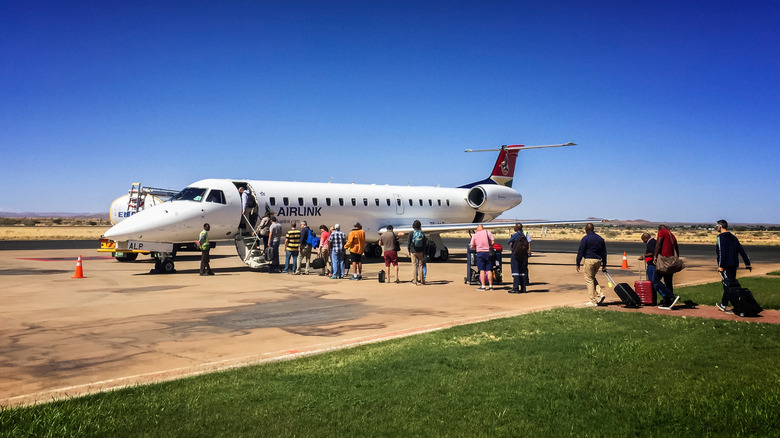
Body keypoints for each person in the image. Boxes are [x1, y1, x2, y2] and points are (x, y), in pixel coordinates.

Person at [715, 219, 752, 312]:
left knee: (729, 286)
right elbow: (742, 251)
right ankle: (724, 304)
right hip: (734, 264)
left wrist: (720, 266)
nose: (716, 228)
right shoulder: (733, 237)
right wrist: (747, 263)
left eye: (717, 226)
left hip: (726, 265)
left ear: (720, 226)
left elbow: (721, 252)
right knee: (729, 285)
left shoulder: (721, 237)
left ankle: (735, 305)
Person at [640, 232, 679, 309]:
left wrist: (643, 256)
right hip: (654, 264)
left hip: (652, 265)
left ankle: (665, 296)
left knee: (654, 282)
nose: (643, 242)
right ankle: (665, 297)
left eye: (643, 240)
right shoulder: (654, 241)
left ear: (645, 238)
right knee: (655, 282)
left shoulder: (650, 242)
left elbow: (652, 252)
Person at [576, 223, 607, 307]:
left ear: (586, 229)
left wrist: (578, 262)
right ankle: (600, 294)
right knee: (592, 278)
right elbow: (604, 253)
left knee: (589, 280)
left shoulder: (585, 238)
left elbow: (581, 251)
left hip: (589, 260)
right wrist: (604, 264)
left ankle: (593, 300)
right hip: (598, 260)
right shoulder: (600, 239)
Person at [652, 224, 680, 296]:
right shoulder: (672, 235)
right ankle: (669, 301)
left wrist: (655, 256)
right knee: (668, 282)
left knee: (655, 280)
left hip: (664, 261)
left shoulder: (662, 232)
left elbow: (659, 244)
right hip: (671, 261)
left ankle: (671, 295)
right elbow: (677, 249)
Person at [469, 224, 495, 291]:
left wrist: (477, 247)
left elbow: (471, 246)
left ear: (477, 229)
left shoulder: (475, 235)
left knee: (482, 270)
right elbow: (493, 242)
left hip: (480, 253)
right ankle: (491, 286)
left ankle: (483, 286)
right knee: (489, 270)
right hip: (488, 253)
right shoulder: (488, 232)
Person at [508, 223, 529, 293]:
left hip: (516, 254)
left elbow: (508, 242)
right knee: (522, 271)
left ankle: (515, 288)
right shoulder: (524, 234)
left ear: (516, 228)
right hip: (523, 255)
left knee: (515, 271)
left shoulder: (515, 235)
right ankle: (523, 288)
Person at [408, 220, 428, 285]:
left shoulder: (411, 233)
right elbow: (425, 243)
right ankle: (422, 280)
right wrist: (424, 252)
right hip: (420, 251)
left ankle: (415, 280)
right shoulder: (422, 233)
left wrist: (409, 250)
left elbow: (409, 243)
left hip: (413, 251)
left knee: (414, 265)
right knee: (421, 266)